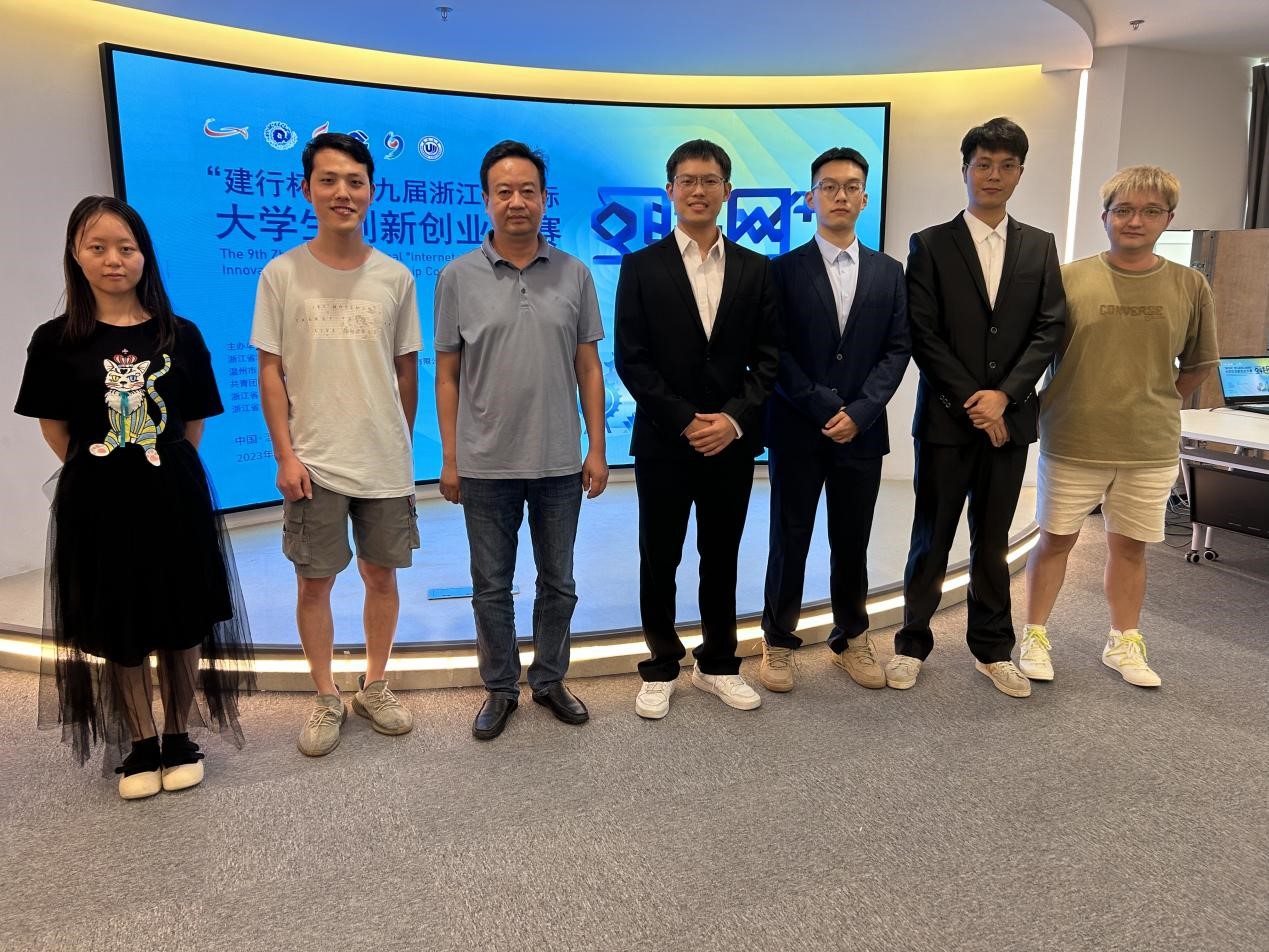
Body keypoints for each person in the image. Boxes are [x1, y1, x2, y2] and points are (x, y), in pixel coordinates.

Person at [15, 196, 254, 799]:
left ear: (144, 255)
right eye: (97, 247)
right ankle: (141, 742)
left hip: (173, 496)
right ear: (76, 254)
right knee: (116, 617)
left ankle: (178, 734)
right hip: (97, 502)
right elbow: (54, 428)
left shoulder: (180, 334)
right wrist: (104, 472)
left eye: (126, 247)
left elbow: (192, 423)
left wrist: (158, 466)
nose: (113, 259)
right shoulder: (54, 340)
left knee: (182, 616)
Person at [252, 132, 421, 756]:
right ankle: (325, 695)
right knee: (314, 583)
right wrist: (284, 454)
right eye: (328, 180)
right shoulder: (281, 274)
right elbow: (270, 371)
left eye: (355, 181)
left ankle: (374, 685)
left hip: (383, 461)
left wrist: (398, 443)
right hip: (313, 462)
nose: (342, 192)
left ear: (372, 191)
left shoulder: (395, 277)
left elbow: (407, 371)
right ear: (307, 190)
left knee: (382, 576)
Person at [434, 140, 608, 741]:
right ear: (486, 199)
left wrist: (597, 447)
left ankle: (551, 679)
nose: (516, 202)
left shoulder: (574, 273)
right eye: (503, 191)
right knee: (491, 587)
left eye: (527, 191)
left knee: (558, 582)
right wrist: (450, 458)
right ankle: (501, 688)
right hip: (485, 462)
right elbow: (448, 374)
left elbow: (589, 367)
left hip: (559, 460)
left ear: (543, 198)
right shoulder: (456, 277)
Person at [1022, 166, 1217, 688]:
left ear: (1168, 219)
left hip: (1149, 446)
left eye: (1150, 211)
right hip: (1072, 437)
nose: (1135, 221)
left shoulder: (1190, 285)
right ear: (1104, 216)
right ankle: (1034, 635)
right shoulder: (1067, 279)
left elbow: (1198, 366)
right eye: (1124, 210)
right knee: (1055, 541)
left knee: (1130, 548)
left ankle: (1123, 641)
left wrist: (1152, 402)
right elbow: (1035, 354)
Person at [892, 118, 1066, 699]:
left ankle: (992, 650)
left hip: (1008, 424)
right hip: (947, 421)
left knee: (992, 543)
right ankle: (911, 643)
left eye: (1005, 166)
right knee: (930, 538)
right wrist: (975, 402)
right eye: (983, 164)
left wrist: (1004, 397)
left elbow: (1049, 328)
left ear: (1020, 173)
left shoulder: (1040, 245)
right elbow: (923, 333)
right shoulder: (930, 244)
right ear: (964, 170)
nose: (993, 175)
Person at [615, 139, 781, 719]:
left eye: (710, 180)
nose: (698, 190)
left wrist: (733, 419)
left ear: (727, 191)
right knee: (659, 556)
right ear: (670, 190)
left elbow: (769, 359)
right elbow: (632, 359)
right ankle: (661, 664)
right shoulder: (641, 266)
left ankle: (718, 663)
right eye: (687, 180)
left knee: (721, 554)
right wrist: (686, 420)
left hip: (730, 442)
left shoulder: (757, 269)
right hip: (665, 440)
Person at [759, 147, 910, 693]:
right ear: (810, 198)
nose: (840, 195)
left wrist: (861, 412)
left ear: (865, 198)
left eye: (850, 186)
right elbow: (773, 351)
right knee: (789, 538)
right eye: (829, 186)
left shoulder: (890, 273)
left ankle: (851, 637)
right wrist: (825, 407)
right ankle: (778, 639)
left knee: (852, 541)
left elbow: (898, 349)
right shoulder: (780, 270)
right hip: (798, 428)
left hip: (862, 435)